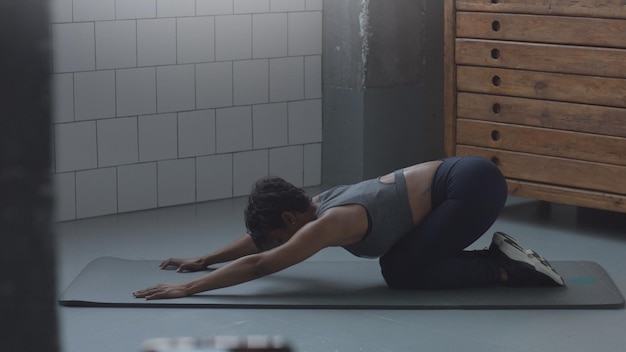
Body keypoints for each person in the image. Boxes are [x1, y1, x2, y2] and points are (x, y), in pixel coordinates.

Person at [133, 156, 564, 300]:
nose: (288, 244)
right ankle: (500, 258)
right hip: (466, 179)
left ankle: (503, 267)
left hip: (472, 188)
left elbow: (263, 263)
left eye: (283, 235)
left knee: (402, 272)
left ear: (290, 219)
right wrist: (205, 260)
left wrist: (188, 290)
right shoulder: (314, 206)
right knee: (400, 263)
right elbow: (261, 244)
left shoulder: (332, 220)